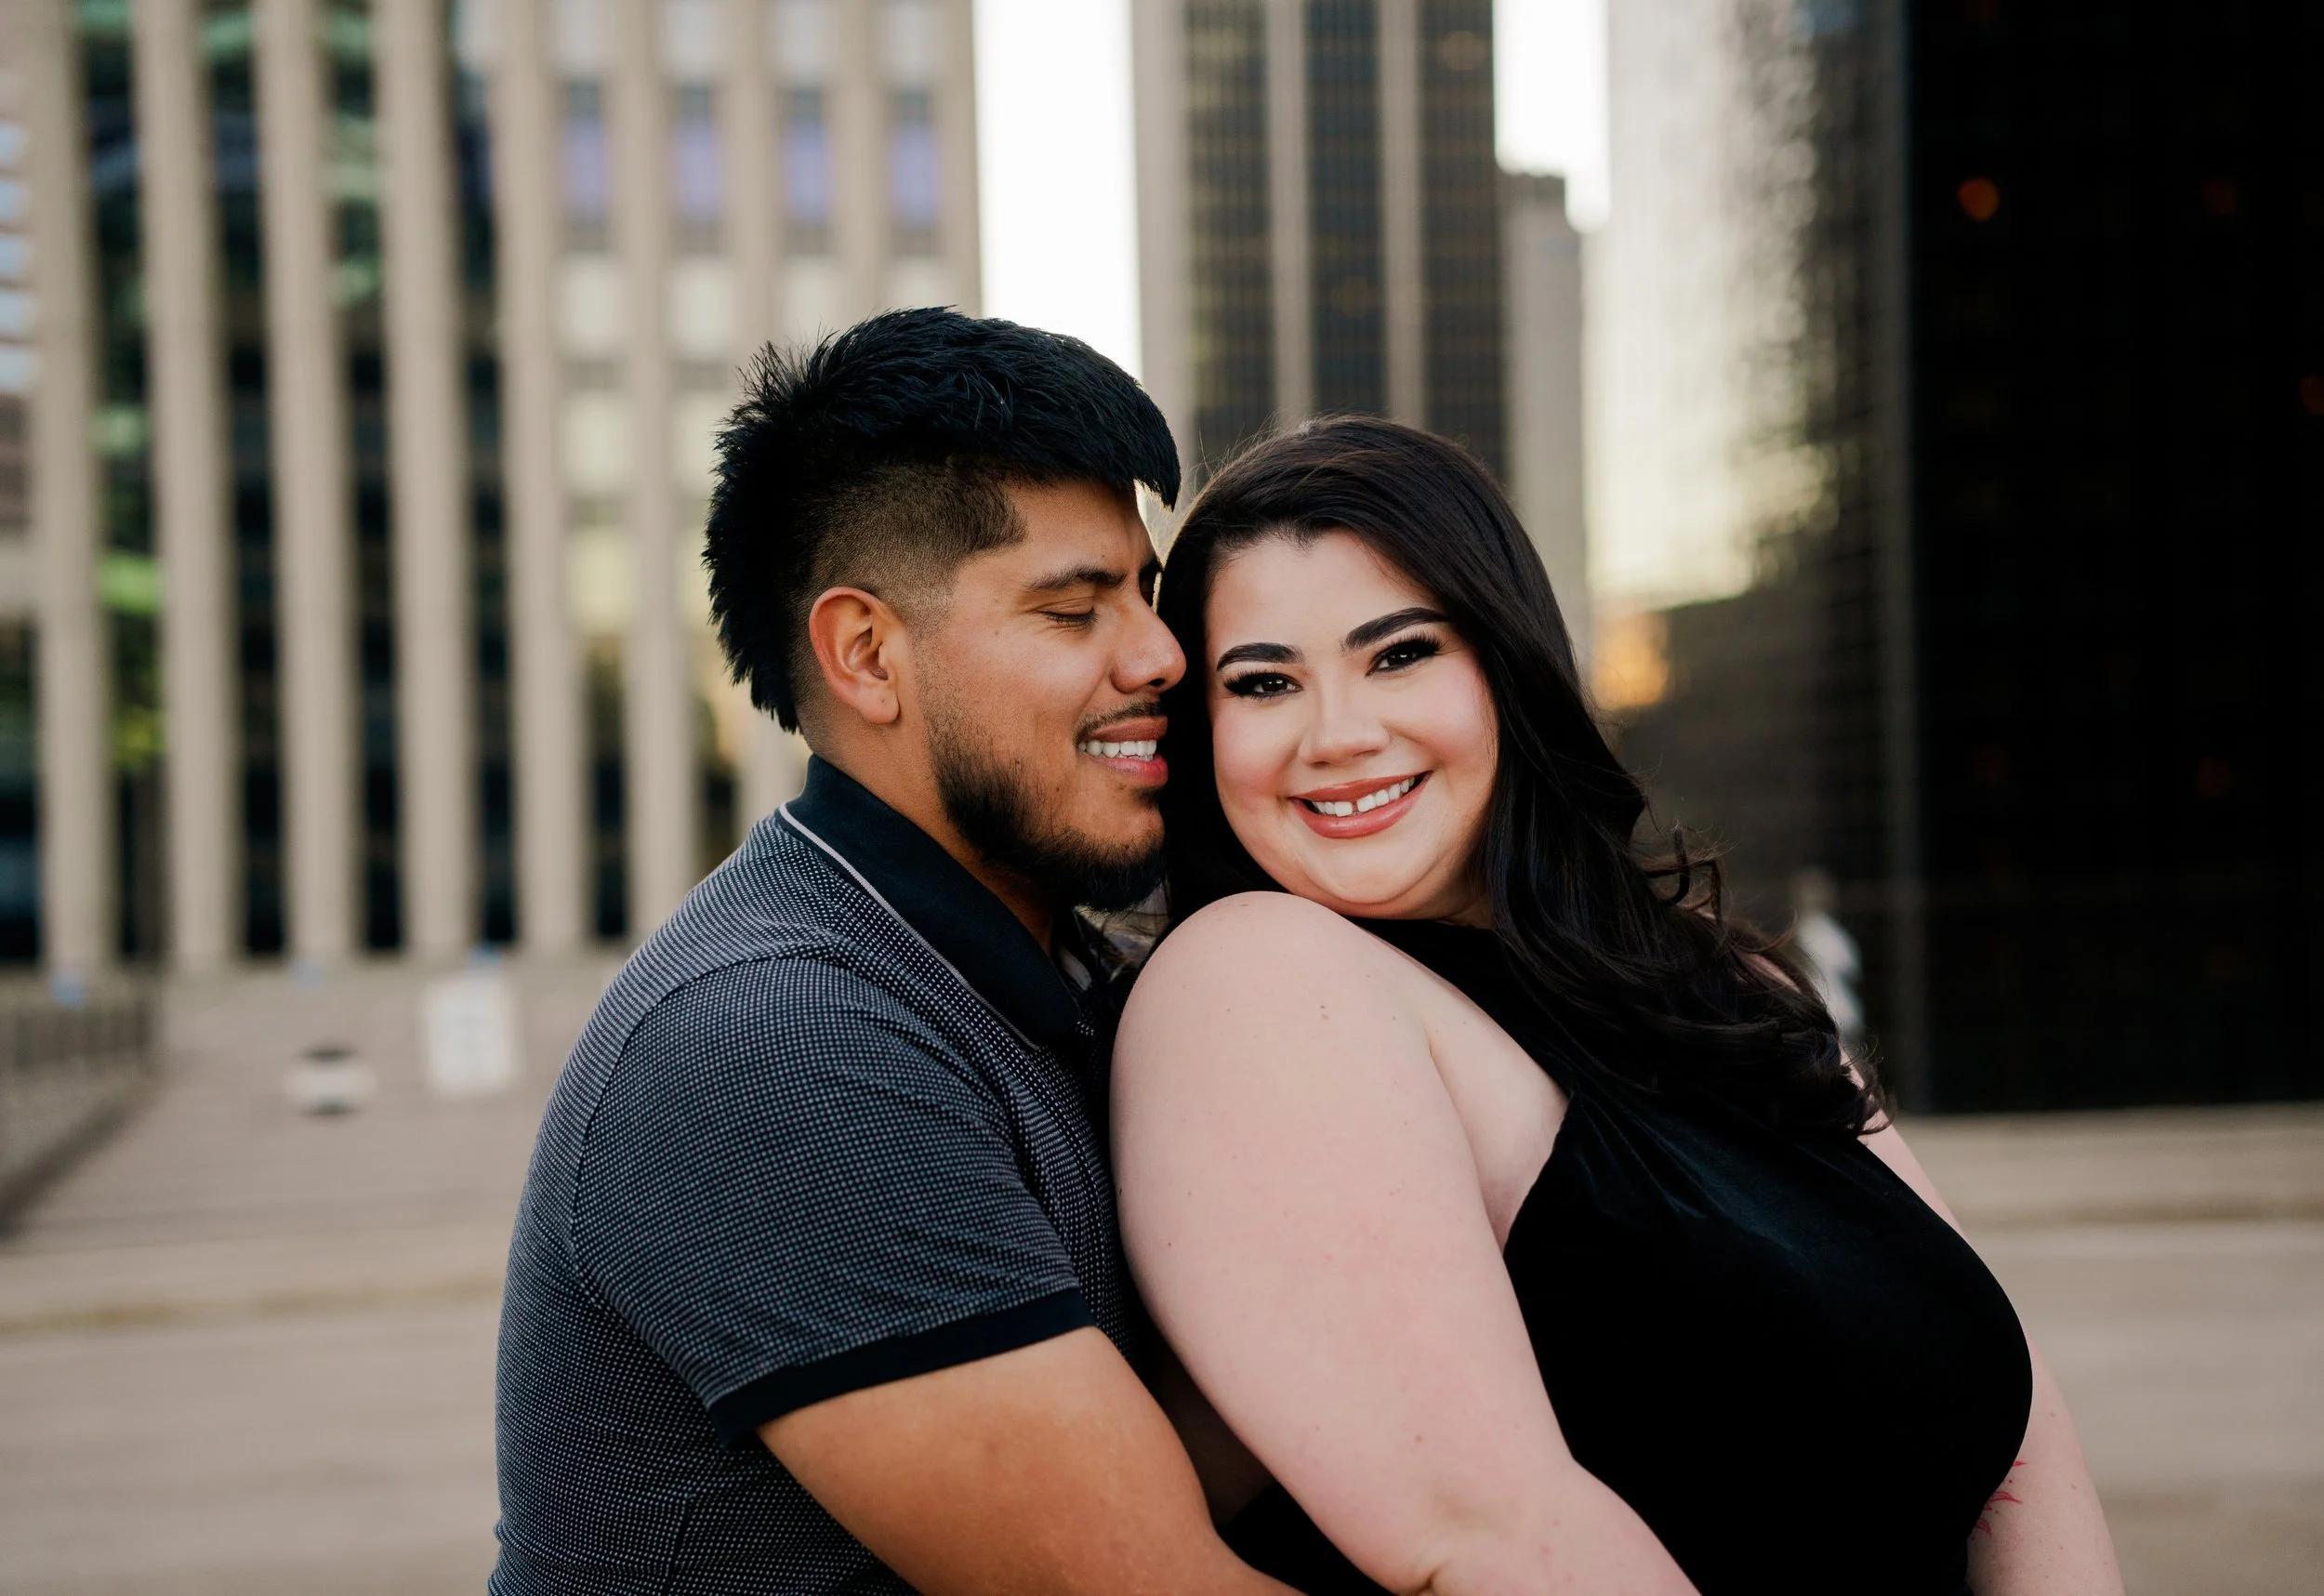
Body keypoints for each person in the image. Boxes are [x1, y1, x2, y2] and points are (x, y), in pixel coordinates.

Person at [1114, 416, 2125, 1596]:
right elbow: (1494, 1539)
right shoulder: (1259, 986)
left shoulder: (1722, 981)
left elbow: (2014, 1417)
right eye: (1266, 682)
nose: (1339, 735)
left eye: (1399, 655)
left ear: (1506, 663)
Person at [492, 310, 1296, 1594]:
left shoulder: (1045, 969)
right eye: (1072, 608)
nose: (1162, 653)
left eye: (1143, 596)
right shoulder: (774, 1044)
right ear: (868, 654)